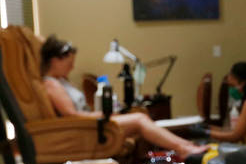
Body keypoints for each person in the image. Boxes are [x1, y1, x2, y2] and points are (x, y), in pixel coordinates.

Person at [40, 35, 207, 157]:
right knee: (139, 120)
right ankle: (182, 148)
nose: (72, 67)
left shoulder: (60, 81)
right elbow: (72, 116)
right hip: (87, 129)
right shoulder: (51, 84)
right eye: (69, 63)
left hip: (91, 125)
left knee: (139, 116)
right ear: (55, 60)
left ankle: (185, 145)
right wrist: (100, 115)